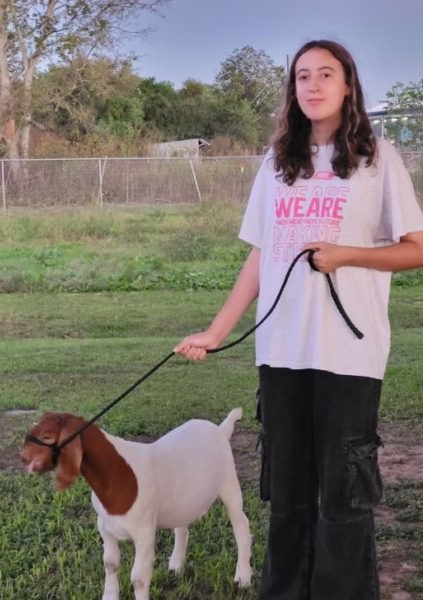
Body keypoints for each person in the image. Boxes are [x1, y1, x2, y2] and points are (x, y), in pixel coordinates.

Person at [173, 39, 423, 600]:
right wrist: (217, 331)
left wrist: (346, 254)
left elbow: (417, 248)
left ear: (348, 85)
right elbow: (262, 254)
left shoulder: (378, 161)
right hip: (281, 351)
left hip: (348, 354)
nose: (312, 85)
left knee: (343, 495)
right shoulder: (277, 162)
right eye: (302, 76)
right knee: (285, 493)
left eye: (325, 74)